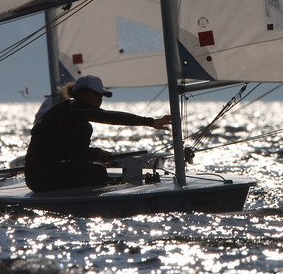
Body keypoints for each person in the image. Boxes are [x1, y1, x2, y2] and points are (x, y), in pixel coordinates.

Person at [23, 75, 173, 192]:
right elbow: (109, 117)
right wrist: (151, 122)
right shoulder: (73, 110)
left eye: (101, 96)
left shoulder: (69, 112)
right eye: (96, 95)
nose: (100, 100)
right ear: (81, 94)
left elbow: (67, 152)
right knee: (98, 171)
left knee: (86, 133)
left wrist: (94, 153)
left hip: (36, 177)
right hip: (41, 177)